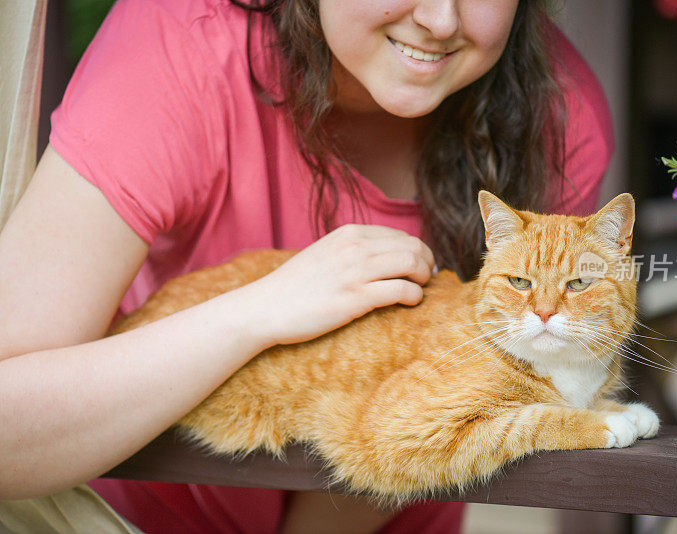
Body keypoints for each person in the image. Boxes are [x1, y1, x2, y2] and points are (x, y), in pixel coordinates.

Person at [0, 0, 613, 532]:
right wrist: (259, 312)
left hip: (382, 511)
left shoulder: (556, 111)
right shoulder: (177, 42)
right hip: (121, 517)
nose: (439, 20)